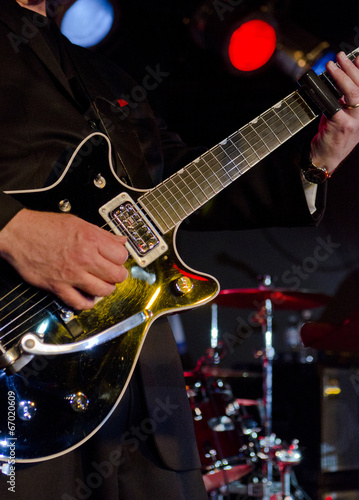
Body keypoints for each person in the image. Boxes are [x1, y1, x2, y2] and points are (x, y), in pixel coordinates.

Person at [1, 1, 359, 499]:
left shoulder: (106, 77)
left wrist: (316, 160)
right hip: (20, 375)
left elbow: (183, 185)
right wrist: (12, 232)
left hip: (143, 380)